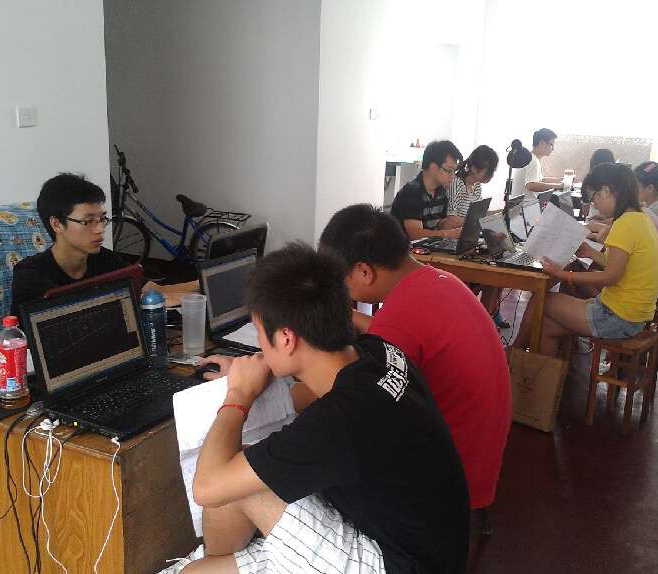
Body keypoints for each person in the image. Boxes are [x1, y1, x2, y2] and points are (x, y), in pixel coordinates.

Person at [183, 243, 469, 574]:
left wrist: (239, 395)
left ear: (286, 339)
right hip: (428, 544)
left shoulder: (338, 421)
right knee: (196, 571)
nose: (258, 345)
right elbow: (309, 395)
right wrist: (256, 373)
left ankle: (214, 558)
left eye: (259, 333)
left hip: (397, 563)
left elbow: (207, 488)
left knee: (237, 476)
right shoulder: (377, 352)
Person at [319, 204, 511, 516]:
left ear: (364, 272)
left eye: (343, 283)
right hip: (481, 453)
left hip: (450, 476)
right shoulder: (440, 279)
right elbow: (405, 331)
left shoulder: (399, 319)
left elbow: (359, 398)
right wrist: (351, 317)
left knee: (329, 454)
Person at [513, 163, 658, 356]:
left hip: (617, 317)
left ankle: (512, 354)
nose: (595, 205)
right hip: (633, 315)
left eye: (594, 198)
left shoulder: (625, 224)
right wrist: (592, 253)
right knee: (546, 326)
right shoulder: (640, 218)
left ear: (606, 191)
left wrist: (563, 274)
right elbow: (619, 265)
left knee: (541, 301)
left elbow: (611, 276)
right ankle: (539, 373)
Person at [10, 173, 126, 315]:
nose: (100, 229)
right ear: (57, 224)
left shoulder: (108, 260)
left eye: (102, 219)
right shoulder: (30, 275)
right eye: (88, 221)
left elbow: (141, 287)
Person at [441, 145, 509, 327]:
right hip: (454, 238)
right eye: (488, 170)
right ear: (473, 167)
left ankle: (491, 312)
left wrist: (497, 212)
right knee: (492, 270)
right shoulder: (457, 183)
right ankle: (484, 318)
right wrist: (478, 220)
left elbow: (478, 214)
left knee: (499, 263)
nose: (489, 175)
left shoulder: (476, 186)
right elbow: (450, 219)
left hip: (469, 237)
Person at [390, 140, 463, 240]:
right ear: (433, 167)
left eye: (454, 171)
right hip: (406, 247)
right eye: (449, 170)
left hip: (427, 246)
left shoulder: (440, 191)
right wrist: (449, 234)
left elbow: (440, 224)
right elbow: (415, 234)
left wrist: (462, 225)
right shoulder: (411, 192)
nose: (453, 176)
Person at [521, 128, 564, 198]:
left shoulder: (532, 157)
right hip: (527, 204)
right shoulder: (532, 160)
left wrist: (560, 180)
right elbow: (531, 185)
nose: (553, 149)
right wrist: (559, 186)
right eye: (551, 144)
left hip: (527, 202)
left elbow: (541, 180)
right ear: (542, 143)